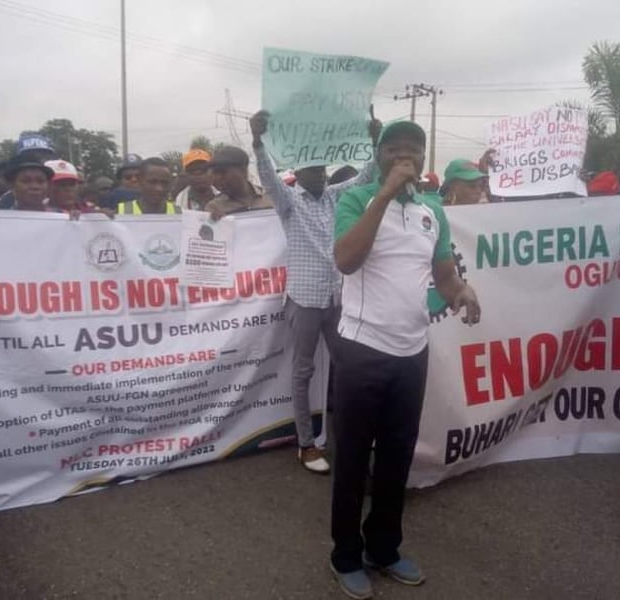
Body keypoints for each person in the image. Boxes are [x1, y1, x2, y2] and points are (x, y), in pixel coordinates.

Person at [329, 121, 481, 598]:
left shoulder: (432, 210)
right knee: (354, 460)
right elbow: (346, 260)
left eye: (410, 153)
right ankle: (346, 555)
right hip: (360, 350)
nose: (402, 159)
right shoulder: (355, 201)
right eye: (392, 152)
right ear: (378, 156)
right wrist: (384, 196)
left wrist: (461, 290)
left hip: (411, 353)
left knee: (397, 459)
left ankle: (385, 549)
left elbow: (443, 275)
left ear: (422, 156)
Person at [249, 110, 380, 474]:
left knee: (346, 367)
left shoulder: (337, 196)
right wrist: (259, 143)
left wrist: (374, 141)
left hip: (337, 300)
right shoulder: (289, 201)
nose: (319, 175)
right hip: (304, 302)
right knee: (302, 371)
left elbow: (367, 176)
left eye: (322, 169)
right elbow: (268, 179)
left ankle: (348, 436)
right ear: (300, 173)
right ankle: (306, 444)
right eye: (312, 170)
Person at [205, 146, 274, 219]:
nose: (218, 178)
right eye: (215, 174)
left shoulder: (271, 198)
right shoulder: (214, 208)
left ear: (243, 170)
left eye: (222, 172)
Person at [0, 133, 57, 209]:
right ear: (12, 185)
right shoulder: (5, 204)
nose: (35, 186)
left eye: (44, 154)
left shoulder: (58, 208)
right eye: (26, 181)